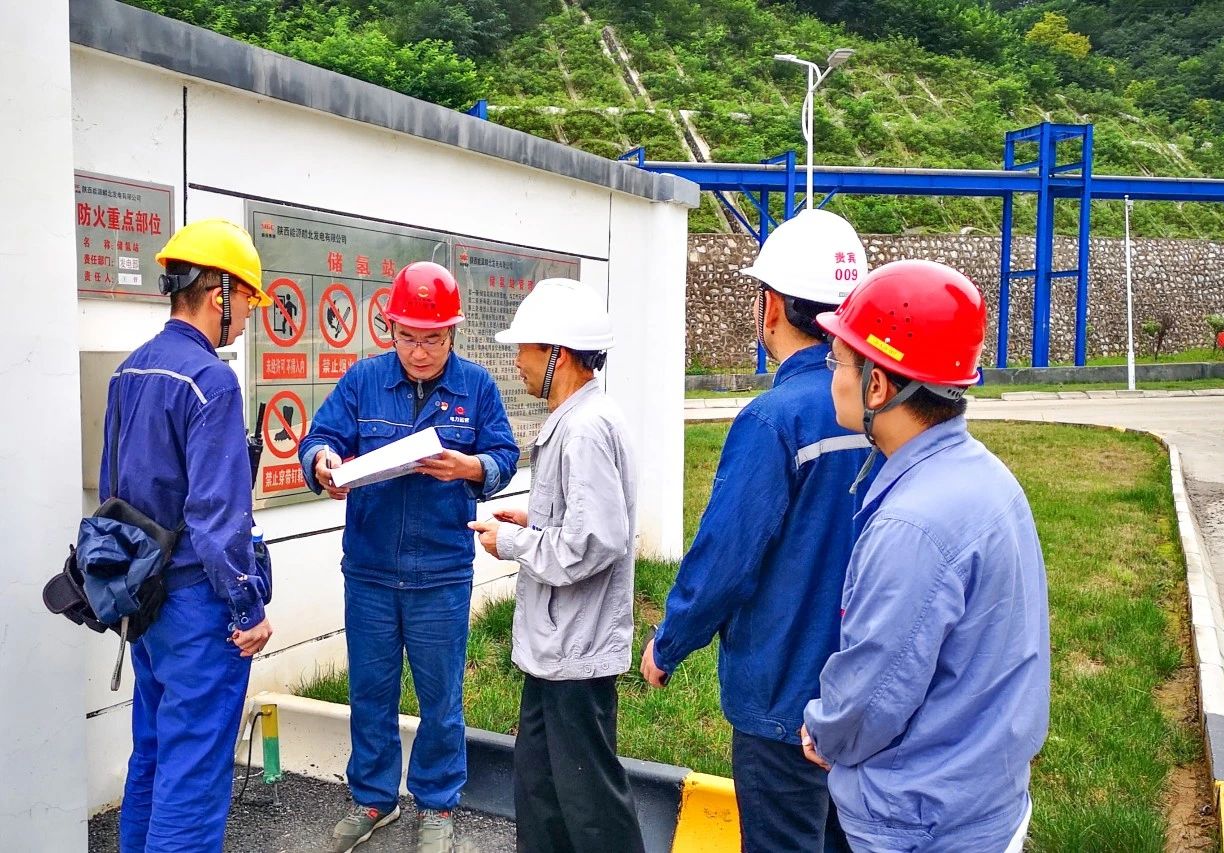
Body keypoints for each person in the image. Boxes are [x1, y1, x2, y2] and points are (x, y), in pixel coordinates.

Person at [638, 209, 875, 853]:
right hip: (861, 695)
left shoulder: (773, 420)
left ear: (770, 306)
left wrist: (670, 642)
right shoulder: (883, 407)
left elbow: (727, 557)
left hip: (782, 696)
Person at [801, 260, 1050, 852]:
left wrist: (824, 730)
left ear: (877, 387)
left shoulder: (913, 525)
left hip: (921, 821)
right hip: (982, 797)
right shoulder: (985, 477)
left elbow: (873, 695)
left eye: (838, 361)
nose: (832, 376)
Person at [298, 261, 519, 853]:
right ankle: (373, 798)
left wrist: (470, 467)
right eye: (407, 337)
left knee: (441, 699)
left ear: (453, 334)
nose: (419, 352)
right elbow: (320, 439)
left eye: (433, 339)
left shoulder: (476, 387)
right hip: (370, 569)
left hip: (441, 572)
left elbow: (504, 456)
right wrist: (323, 464)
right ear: (390, 329)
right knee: (370, 693)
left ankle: (437, 803)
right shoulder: (364, 380)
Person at [110, 218, 275, 852]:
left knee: (153, 755)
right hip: (199, 608)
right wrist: (248, 609)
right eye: (249, 300)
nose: (249, 316)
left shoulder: (129, 371)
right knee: (196, 774)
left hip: (145, 602)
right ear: (219, 293)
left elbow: (114, 496)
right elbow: (217, 519)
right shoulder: (212, 380)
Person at [469, 278, 645, 853]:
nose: (516, 361)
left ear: (558, 355)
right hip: (557, 649)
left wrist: (514, 543)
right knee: (542, 792)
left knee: (589, 806)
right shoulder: (579, 419)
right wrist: (535, 520)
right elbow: (581, 520)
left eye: (526, 348)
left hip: (576, 649)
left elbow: (594, 542)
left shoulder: (585, 429)